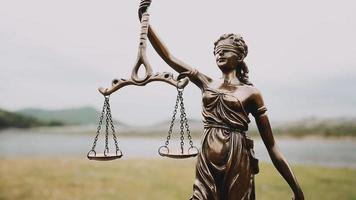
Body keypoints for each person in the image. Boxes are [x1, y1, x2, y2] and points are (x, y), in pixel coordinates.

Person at [139, 1, 304, 200]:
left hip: (237, 159)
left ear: (240, 56)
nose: (220, 54)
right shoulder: (206, 82)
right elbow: (169, 57)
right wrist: (145, 23)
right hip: (207, 156)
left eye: (226, 50)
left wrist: (296, 189)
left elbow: (272, 146)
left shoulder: (251, 93)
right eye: (217, 51)